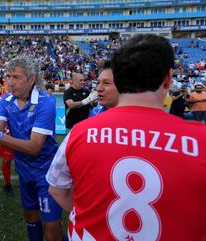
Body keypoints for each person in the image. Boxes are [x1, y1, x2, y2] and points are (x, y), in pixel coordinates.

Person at [46, 34, 206, 240]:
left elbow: (57, 190)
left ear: (120, 79)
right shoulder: (200, 141)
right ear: (168, 78)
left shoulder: (80, 133)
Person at [0, 56, 67, 241]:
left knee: (52, 230)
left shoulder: (46, 102)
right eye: (8, 76)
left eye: (16, 77)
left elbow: (34, 147)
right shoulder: (6, 100)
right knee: (30, 217)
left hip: (47, 174)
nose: (10, 83)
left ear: (31, 80)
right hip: (24, 171)